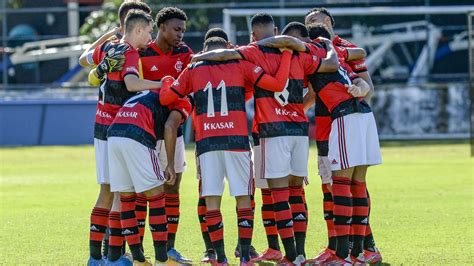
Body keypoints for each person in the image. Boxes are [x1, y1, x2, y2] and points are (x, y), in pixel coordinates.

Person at [191, 13, 339, 264]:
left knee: (278, 194)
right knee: (296, 193)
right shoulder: (299, 53)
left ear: (253, 36)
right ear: (277, 30)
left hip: (272, 130)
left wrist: (199, 56)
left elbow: (223, 55)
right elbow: (330, 66)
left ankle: (290, 255)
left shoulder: (252, 52)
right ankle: (301, 254)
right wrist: (330, 46)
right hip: (299, 131)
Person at [160, 36, 293, 265]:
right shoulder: (241, 64)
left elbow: (166, 97)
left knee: (212, 201)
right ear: (229, 48)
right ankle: (244, 257)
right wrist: (288, 54)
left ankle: (219, 258)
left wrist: (166, 81)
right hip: (237, 141)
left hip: (208, 144)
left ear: (204, 50)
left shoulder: (193, 69)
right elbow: (277, 85)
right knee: (243, 198)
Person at [79, 10, 165, 265]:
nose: (151, 37)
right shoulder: (129, 51)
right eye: (149, 31)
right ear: (138, 29)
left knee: (108, 191)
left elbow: (84, 59)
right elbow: (131, 84)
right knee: (115, 193)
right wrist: (164, 84)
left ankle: (97, 258)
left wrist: (106, 36)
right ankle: (112, 258)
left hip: (100, 125)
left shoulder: (109, 47)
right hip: (116, 127)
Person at [305, 7, 382, 264]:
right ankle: (342, 249)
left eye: (313, 21)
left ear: (328, 22)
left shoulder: (327, 50)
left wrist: (361, 87)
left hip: (343, 121)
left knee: (343, 187)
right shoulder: (332, 51)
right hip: (333, 125)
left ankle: (355, 250)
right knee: (336, 189)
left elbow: (366, 84)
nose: (310, 25)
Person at [106, 73, 192, 265]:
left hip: (114, 134)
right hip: (137, 135)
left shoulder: (146, 91)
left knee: (126, 198)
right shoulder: (183, 98)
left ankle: (138, 259)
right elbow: (170, 127)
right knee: (156, 196)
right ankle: (162, 260)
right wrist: (170, 164)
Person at [136, 7, 193, 263]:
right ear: (161, 28)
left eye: (183, 29)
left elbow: (190, 86)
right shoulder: (142, 53)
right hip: (146, 133)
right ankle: (136, 250)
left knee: (173, 187)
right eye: (176, 29)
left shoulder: (186, 54)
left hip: (175, 131)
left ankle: (169, 248)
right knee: (141, 192)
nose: (181, 34)